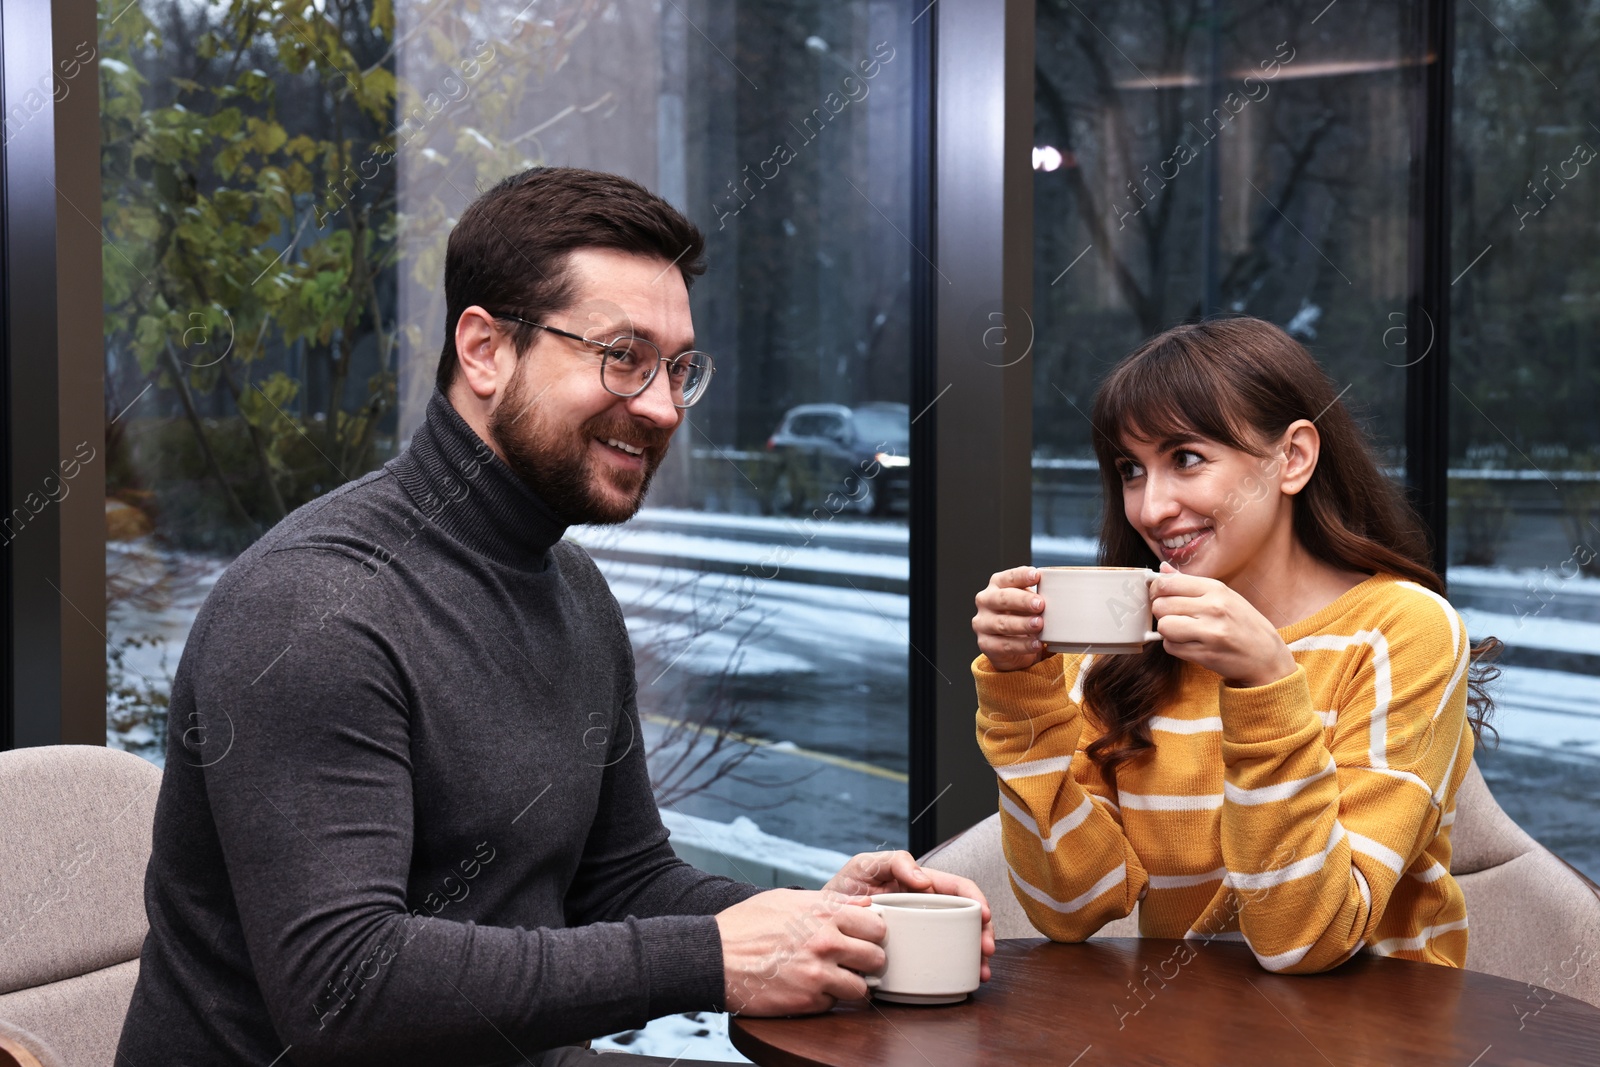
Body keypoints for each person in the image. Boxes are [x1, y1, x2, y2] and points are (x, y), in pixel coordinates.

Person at [116, 166, 992, 1067]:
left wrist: (811, 921)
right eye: (623, 355)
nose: (659, 406)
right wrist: (713, 956)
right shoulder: (311, 610)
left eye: (677, 368)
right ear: (485, 350)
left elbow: (623, 877)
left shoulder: (569, 585)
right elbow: (342, 983)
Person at [971, 317, 1497, 976]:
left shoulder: (1403, 630)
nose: (1151, 506)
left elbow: (1308, 936)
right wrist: (1021, 688)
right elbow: (1069, 906)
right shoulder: (1119, 645)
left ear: (1294, 457)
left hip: (1373, 1039)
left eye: (1186, 458)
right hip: (1179, 1032)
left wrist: (1267, 684)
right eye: (1131, 469)